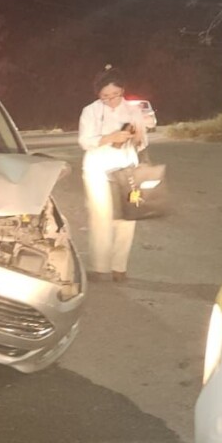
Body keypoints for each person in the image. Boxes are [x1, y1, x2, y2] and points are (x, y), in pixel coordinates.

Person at [78, 65, 148, 283]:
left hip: (127, 169)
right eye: (105, 96)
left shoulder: (133, 111)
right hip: (98, 169)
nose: (111, 100)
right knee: (101, 217)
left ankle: (119, 267)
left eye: (115, 95)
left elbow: (143, 141)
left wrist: (135, 138)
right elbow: (84, 141)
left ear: (123, 90)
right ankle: (100, 268)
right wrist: (110, 138)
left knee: (127, 218)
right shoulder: (90, 111)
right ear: (98, 95)